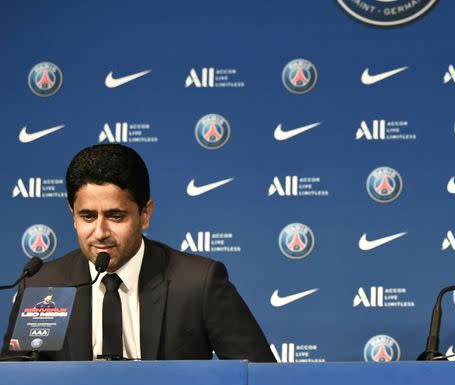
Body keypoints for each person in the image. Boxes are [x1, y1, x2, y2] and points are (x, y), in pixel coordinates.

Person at [3, 144, 275, 362]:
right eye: (87, 216)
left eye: (116, 216)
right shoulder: (43, 287)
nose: (100, 232)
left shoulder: (198, 283)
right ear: (72, 215)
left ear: (145, 214)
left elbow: (260, 379)